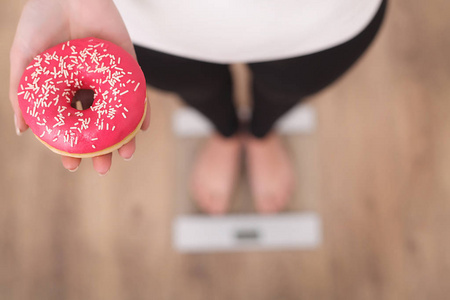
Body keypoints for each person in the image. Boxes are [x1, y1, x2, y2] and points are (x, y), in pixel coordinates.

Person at [10, 0, 387, 214]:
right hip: (145, 21)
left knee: (285, 92)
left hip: (319, 20)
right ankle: (224, 133)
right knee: (198, 91)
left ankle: (260, 133)